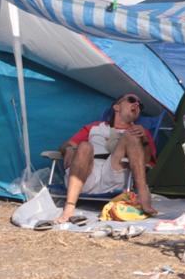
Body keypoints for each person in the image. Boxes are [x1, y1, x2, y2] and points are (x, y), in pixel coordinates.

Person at [53, 93, 157, 222]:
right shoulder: (94, 127)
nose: (137, 104)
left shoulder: (141, 132)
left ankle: (143, 193)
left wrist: (144, 140)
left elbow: (146, 162)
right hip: (85, 175)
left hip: (114, 176)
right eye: (131, 100)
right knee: (85, 146)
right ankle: (69, 207)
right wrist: (68, 149)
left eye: (140, 105)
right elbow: (66, 145)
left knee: (131, 135)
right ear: (116, 107)